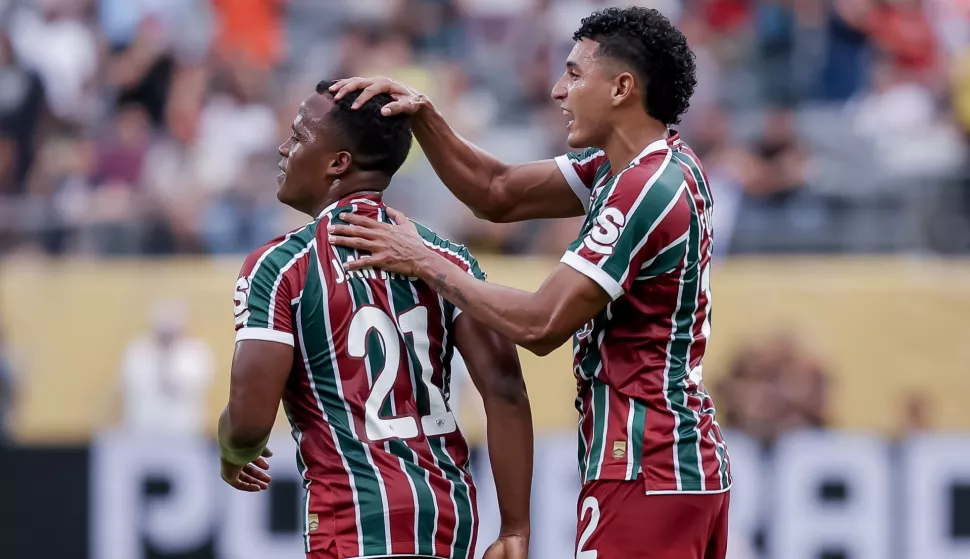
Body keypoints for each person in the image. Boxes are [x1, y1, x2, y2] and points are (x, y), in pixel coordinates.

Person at [327, 6, 732, 559]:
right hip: (675, 464)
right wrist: (423, 115)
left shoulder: (644, 187)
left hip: (645, 463)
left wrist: (424, 261)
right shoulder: (638, 166)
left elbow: (542, 324)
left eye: (574, 73)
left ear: (621, 87)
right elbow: (499, 192)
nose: (557, 90)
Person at [217, 80, 533, 559]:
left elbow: (248, 422)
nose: (284, 148)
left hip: (352, 517)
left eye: (300, 136)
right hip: (447, 518)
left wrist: (232, 450)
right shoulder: (448, 261)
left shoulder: (281, 266)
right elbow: (506, 391)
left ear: (338, 163)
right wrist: (514, 527)